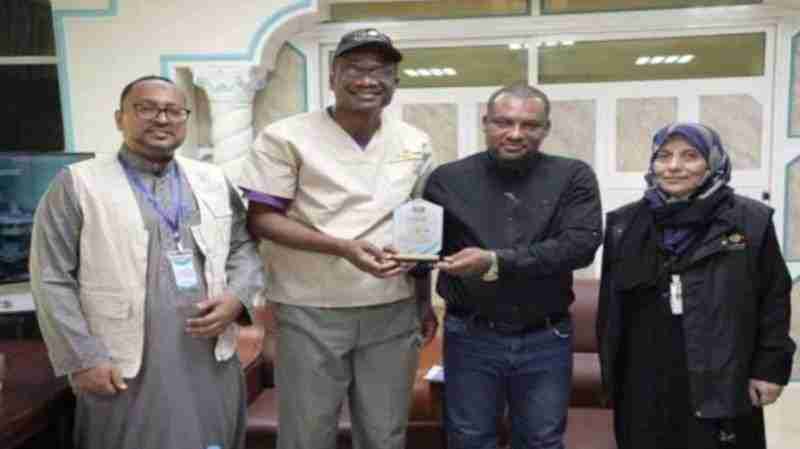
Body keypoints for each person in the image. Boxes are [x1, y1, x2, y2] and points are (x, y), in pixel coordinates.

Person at [30, 75, 264, 449]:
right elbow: (51, 278)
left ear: (185, 119)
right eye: (146, 108)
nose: (162, 118)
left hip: (208, 353)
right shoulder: (78, 184)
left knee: (212, 438)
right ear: (119, 118)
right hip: (122, 360)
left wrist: (237, 297)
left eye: (173, 110)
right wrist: (83, 358)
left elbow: (244, 247)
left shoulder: (212, 180)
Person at [238, 28, 438, 449]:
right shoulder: (285, 137)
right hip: (310, 307)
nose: (367, 79)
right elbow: (262, 220)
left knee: (385, 434)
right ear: (332, 78)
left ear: (395, 82)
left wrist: (422, 298)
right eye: (354, 69)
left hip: (391, 307)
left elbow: (419, 223)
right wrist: (342, 248)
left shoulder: (415, 141)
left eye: (380, 71)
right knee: (307, 433)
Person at [423, 83, 603, 449]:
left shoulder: (573, 176)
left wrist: (495, 261)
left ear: (546, 128)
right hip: (470, 334)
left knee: (541, 440)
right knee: (469, 440)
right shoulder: (447, 180)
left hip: (546, 336)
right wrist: (417, 298)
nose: (516, 134)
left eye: (530, 125)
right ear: (485, 123)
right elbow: (426, 251)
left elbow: (580, 246)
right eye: (504, 122)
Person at [597, 122, 795, 449]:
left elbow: (773, 298)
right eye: (664, 156)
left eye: (690, 156)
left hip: (722, 371)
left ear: (713, 163)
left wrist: (770, 369)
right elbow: (611, 308)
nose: (674, 166)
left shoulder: (750, 220)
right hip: (644, 375)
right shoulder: (624, 223)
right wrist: (611, 376)